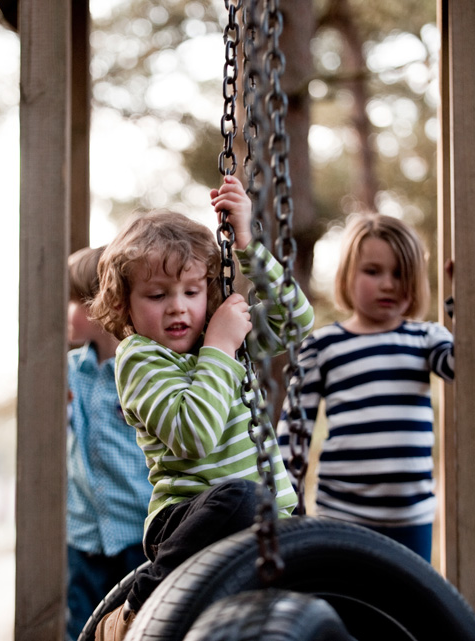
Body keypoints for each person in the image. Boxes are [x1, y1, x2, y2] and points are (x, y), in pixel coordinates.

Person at [88, 175, 315, 640]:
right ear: (125, 306)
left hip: (270, 515)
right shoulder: (141, 357)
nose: (178, 309)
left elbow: (297, 322)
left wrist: (249, 244)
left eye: (191, 292)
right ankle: (136, 608)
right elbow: (195, 435)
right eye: (157, 296)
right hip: (190, 516)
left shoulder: (224, 336)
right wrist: (219, 346)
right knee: (239, 496)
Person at [277, 213, 454, 562]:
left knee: (403, 611)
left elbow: (460, 367)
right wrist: (283, 506)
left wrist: (469, 298)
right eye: (373, 272)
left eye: (400, 274)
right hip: (342, 513)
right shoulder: (324, 346)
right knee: (345, 608)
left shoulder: (426, 338)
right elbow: (294, 433)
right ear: (347, 276)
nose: (388, 284)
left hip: (411, 517)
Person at [65, 246, 151, 641]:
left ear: (105, 305)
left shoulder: (139, 371)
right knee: (80, 625)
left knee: (137, 627)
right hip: (84, 532)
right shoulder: (67, 370)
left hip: (136, 532)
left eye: (74, 301)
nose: (66, 312)